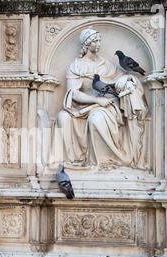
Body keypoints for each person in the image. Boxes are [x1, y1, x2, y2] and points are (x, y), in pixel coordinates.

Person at [52, 27, 150, 169]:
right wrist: (96, 100)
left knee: (96, 119)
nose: (98, 44)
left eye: (99, 41)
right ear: (86, 44)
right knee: (62, 117)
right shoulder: (75, 66)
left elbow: (118, 81)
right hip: (85, 104)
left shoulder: (106, 65)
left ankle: (104, 163)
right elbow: (74, 93)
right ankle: (73, 161)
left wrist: (127, 80)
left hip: (106, 106)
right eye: (95, 41)